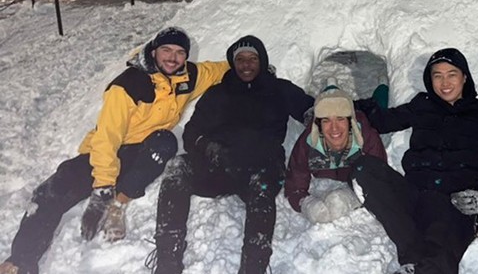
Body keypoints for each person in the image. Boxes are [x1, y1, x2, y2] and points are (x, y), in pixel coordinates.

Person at [0, 27, 229, 274]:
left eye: (179, 52)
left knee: (165, 142)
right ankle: (19, 262)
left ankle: (118, 207)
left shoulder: (188, 77)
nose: (173, 58)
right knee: (50, 192)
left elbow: (221, 69)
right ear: (153, 51)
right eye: (166, 50)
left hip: (145, 152)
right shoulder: (128, 86)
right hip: (108, 151)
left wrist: (253, 68)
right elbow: (107, 139)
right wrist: (102, 190)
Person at [147, 35, 314, 274]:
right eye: (241, 59)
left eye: (252, 58)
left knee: (262, 187)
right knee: (177, 168)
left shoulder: (279, 90)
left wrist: (338, 114)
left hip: (262, 166)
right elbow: (192, 132)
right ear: (233, 62)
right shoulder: (218, 93)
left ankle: (253, 267)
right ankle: (167, 260)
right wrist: (206, 146)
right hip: (220, 166)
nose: (246, 64)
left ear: (262, 60)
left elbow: (313, 110)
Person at [351, 48, 478, 274]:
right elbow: (382, 121)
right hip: (414, 195)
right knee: (365, 168)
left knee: (440, 251)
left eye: (452, 74)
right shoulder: (423, 105)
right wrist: (342, 107)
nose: (444, 82)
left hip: (454, 204)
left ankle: (416, 263)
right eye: (437, 75)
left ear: (464, 77)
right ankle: (416, 255)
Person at [285, 85, 387, 223]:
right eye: (326, 120)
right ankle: (330, 88)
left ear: (350, 121)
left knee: (376, 108)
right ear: (318, 124)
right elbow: (294, 185)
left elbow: (379, 182)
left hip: (362, 115)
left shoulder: (367, 137)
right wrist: (307, 205)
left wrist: (350, 198)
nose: (334, 128)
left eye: (340, 119)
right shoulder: (307, 142)